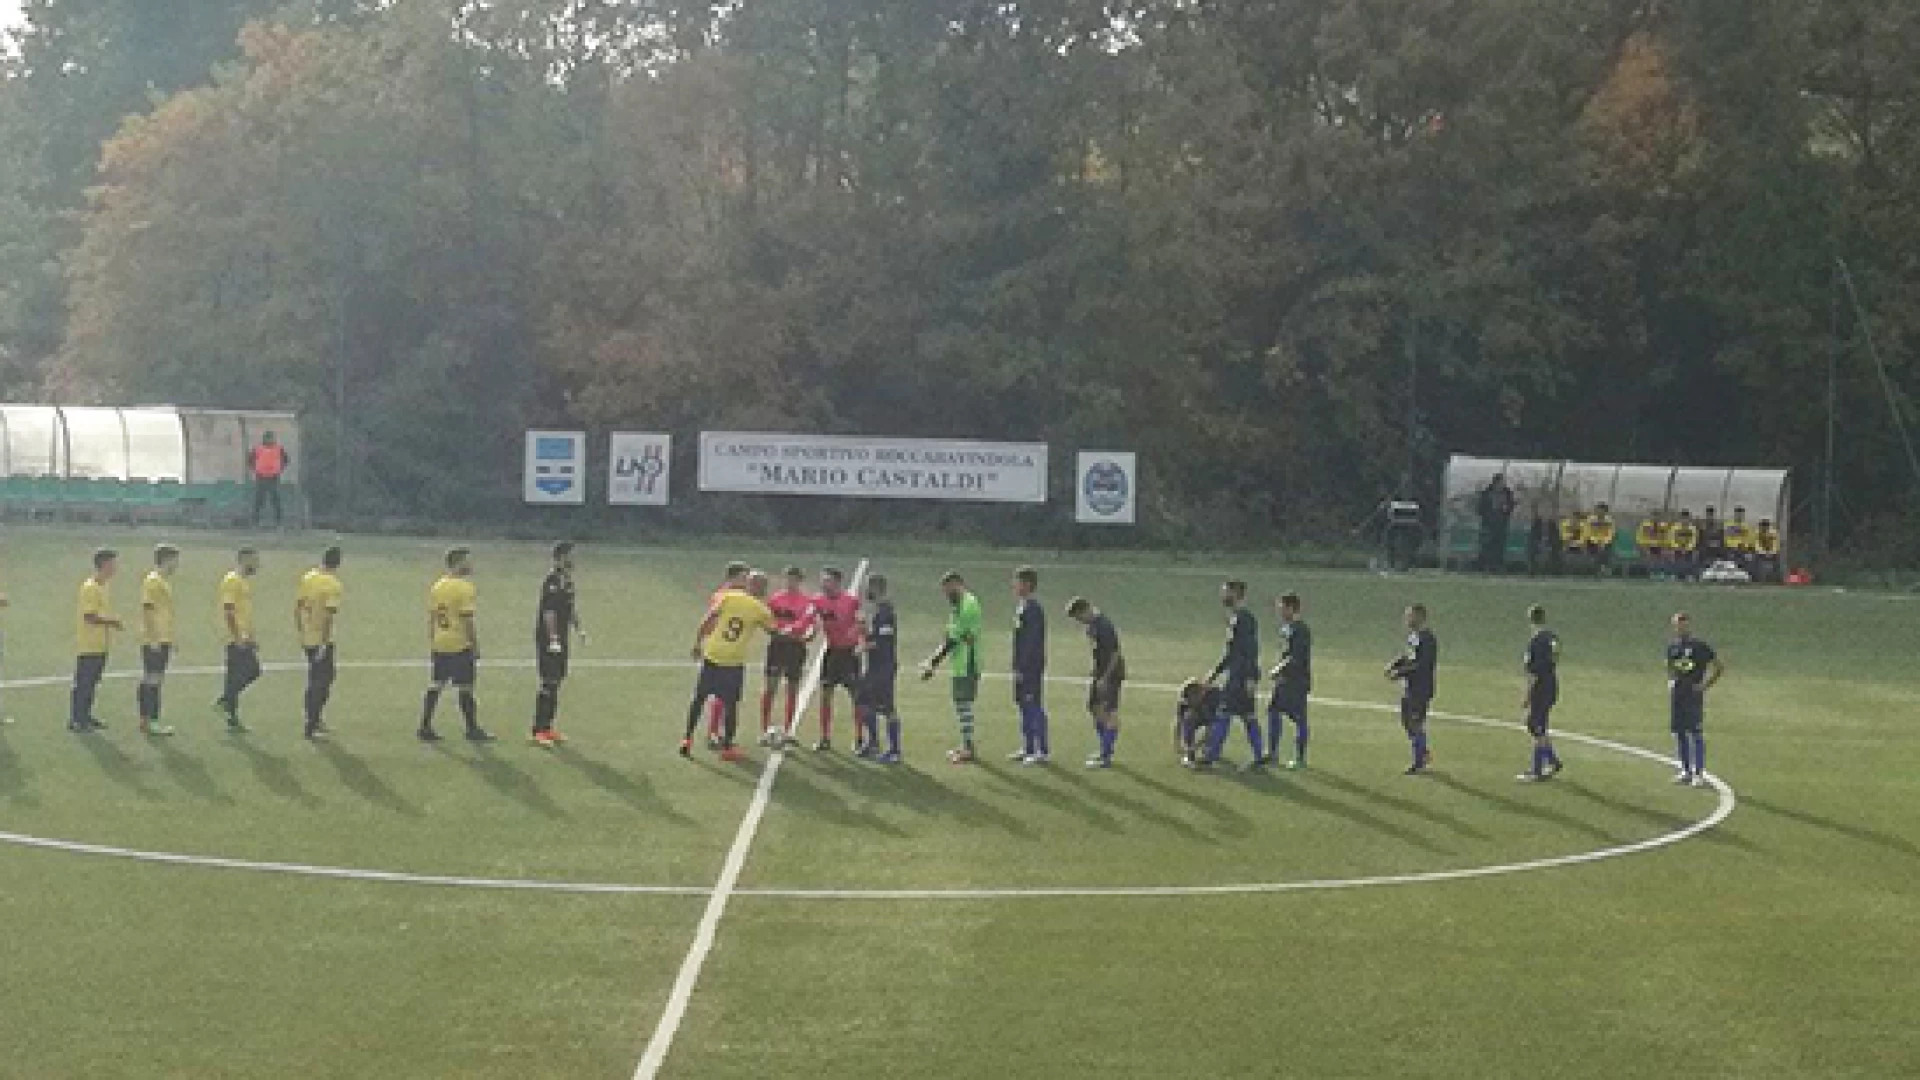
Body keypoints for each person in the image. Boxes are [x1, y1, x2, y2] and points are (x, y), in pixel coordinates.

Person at [682, 570, 779, 762]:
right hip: (732, 661)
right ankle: (727, 747)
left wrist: (697, 643)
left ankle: (686, 739)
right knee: (731, 705)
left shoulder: (729, 597)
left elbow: (708, 619)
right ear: (761, 588)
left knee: (699, 698)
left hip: (712, 654)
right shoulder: (760, 610)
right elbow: (774, 631)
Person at [420, 547, 491, 742]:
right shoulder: (464, 588)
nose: (470, 565)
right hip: (459, 643)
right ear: (457, 563)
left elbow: (432, 616)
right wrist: (474, 645)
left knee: (436, 684)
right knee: (466, 687)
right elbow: (467, 620)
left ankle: (424, 726)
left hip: (441, 641)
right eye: (467, 561)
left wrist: (432, 639)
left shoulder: (438, 586)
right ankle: (472, 729)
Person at [919, 571, 983, 764]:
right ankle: (966, 745)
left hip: (967, 663)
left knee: (963, 704)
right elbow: (950, 636)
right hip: (961, 663)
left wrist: (933, 663)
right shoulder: (958, 606)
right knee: (961, 704)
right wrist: (933, 660)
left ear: (958, 584)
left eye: (948, 589)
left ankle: (969, 748)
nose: (946, 594)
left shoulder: (968, 605)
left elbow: (955, 639)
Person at [531, 542, 584, 748]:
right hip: (549, 638)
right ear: (560, 558)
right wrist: (552, 638)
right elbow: (549, 612)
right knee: (548, 681)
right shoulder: (551, 581)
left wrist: (578, 628)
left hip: (562, 637)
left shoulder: (567, 580)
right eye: (570, 556)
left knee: (558, 679)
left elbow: (570, 608)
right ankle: (538, 729)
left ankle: (548, 726)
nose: (573, 560)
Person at [1209, 580, 1265, 769]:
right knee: (1247, 715)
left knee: (1224, 713)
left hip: (1240, 676)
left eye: (1226, 593)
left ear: (1236, 594)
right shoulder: (1238, 617)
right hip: (1239, 673)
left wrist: (1249, 677)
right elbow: (1232, 651)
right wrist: (1216, 672)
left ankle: (1212, 754)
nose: (1223, 596)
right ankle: (1258, 756)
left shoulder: (1243, 619)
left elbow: (1250, 649)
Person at [1066, 596, 1126, 769]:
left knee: (1108, 712)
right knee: (1093, 707)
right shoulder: (1092, 626)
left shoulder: (1104, 626)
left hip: (1111, 674)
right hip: (1101, 673)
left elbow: (1115, 654)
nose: (1079, 621)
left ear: (1085, 610)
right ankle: (1104, 749)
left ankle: (1106, 755)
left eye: (1078, 617)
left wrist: (1105, 678)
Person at [1666, 612, 1724, 787]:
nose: (1680, 628)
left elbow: (1718, 667)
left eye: (1682, 624)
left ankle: (1699, 773)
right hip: (1678, 695)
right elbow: (1671, 667)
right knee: (1679, 732)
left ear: (1688, 625)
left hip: (1693, 694)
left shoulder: (1699, 646)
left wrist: (1705, 686)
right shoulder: (1672, 647)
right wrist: (1670, 682)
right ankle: (1685, 770)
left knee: (1695, 732)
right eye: (1677, 625)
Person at [760, 567, 815, 747]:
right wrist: (775, 631)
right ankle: (764, 729)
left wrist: (808, 635)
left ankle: (789, 730)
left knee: (792, 689)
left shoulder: (806, 601)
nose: (790, 583)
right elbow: (766, 620)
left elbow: (812, 625)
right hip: (777, 647)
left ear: (799, 581)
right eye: (788, 579)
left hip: (795, 648)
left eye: (793, 579)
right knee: (770, 688)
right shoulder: (776, 599)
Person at [71, 549, 123, 733]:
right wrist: (112, 622)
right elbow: (89, 616)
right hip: (89, 644)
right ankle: (76, 720)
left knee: (92, 683)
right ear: (104, 564)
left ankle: (85, 715)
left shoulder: (103, 586)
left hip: (100, 644)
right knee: (84, 682)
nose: (116, 567)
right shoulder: (90, 587)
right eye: (113, 563)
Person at [296, 546, 345, 739]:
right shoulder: (333, 585)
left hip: (307, 636)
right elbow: (328, 617)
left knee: (316, 678)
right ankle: (312, 723)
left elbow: (297, 607)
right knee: (322, 680)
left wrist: (301, 631)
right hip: (320, 640)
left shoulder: (308, 577)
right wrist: (324, 643)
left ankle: (313, 717)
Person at [811, 566, 862, 752]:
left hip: (849, 654)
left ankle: (859, 738)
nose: (824, 584)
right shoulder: (817, 600)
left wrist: (855, 636)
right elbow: (810, 619)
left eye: (828, 581)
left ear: (837, 582)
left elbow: (861, 622)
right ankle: (825, 737)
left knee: (856, 697)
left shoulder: (851, 601)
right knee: (825, 696)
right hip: (832, 653)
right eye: (823, 581)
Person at [1384, 603, 1438, 775]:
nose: (1406, 619)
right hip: (1409, 687)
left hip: (1420, 688)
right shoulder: (1413, 637)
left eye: (1410, 616)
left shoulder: (1427, 639)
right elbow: (1408, 656)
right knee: (1407, 722)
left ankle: (1418, 762)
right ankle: (1423, 753)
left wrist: (1399, 673)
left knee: (1415, 723)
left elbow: (1421, 665)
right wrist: (1394, 664)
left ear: (1420, 617)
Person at [135, 545, 181, 737]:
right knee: (154, 680)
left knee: (150, 679)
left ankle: (145, 720)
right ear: (166, 559)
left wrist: (171, 638)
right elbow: (148, 609)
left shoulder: (161, 581)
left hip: (162, 638)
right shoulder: (153, 582)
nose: (177, 565)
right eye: (175, 560)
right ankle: (152, 720)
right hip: (155, 639)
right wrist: (154, 638)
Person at [215, 547, 262, 733]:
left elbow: (243, 612)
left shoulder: (242, 582)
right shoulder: (232, 581)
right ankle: (225, 700)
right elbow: (229, 610)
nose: (257, 564)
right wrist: (237, 637)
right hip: (235, 637)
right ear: (244, 560)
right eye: (254, 560)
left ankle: (232, 718)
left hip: (241, 635)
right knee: (253, 670)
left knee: (233, 675)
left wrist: (251, 636)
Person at [704, 562, 751, 746]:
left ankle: (720, 733)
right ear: (733, 577)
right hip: (721, 651)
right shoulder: (722, 596)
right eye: (743, 577)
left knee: (727, 697)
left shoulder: (735, 595)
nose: (746, 581)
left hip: (732, 651)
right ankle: (713, 732)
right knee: (721, 695)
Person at [1517, 605, 1564, 782]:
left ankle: (1537, 770)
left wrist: (1527, 695)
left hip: (1540, 687)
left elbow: (1532, 672)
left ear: (1530, 619)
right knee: (1536, 724)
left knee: (1536, 725)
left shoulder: (1535, 642)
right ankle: (1552, 760)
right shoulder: (1553, 638)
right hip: (1552, 684)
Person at [857, 574, 901, 762]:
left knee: (887, 708)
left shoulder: (885, 613)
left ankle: (895, 751)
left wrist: (862, 647)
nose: (866, 591)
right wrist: (864, 631)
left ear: (876, 588)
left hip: (884, 667)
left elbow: (882, 642)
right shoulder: (878, 612)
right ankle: (874, 743)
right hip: (875, 666)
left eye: (868, 587)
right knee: (864, 702)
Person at [1009, 566, 1050, 765]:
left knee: (1033, 705)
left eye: (1017, 582)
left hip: (1031, 667)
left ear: (1026, 585)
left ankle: (1042, 750)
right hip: (1022, 667)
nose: (1013, 586)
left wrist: (1023, 667)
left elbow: (1031, 643)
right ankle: (1028, 747)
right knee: (1023, 705)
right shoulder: (1022, 607)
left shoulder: (1033, 610)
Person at [1268, 592, 1312, 770]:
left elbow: (1297, 657)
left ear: (1292, 608)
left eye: (1283, 607)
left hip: (1296, 681)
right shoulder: (1286, 628)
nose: (1279, 610)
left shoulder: (1300, 630)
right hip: (1284, 680)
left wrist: (1279, 668)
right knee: (1273, 711)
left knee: (1299, 719)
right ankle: (1273, 753)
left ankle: (1300, 758)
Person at [1175, 679, 1227, 768]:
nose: (1188, 702)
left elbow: (1211, 728)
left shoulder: (1214, 695)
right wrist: (1177, 743)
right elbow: (1178, 722)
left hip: (1215, 717)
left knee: (1218, 727)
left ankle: (1209, 754)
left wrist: (1196, 746)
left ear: (1201, 694)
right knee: (1189, 718)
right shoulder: (1185, 701)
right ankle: (1190, 756)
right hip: (1200, 715)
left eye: (1190, 699)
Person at [248, 430, 290, 528]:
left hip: (274, 477)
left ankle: (279, 521)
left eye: (271, 438)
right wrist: (256, 469)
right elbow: (250, 460)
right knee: (259, 499)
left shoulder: (279, 449)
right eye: (268, 438)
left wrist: (280, 469)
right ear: (264, 439)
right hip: (261, 477)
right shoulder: (258, 448)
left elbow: (286, 460)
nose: (270, 440)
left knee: (275, 499)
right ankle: (255, 521)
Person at [1476, 474, 1517, 572]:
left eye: (1503, 482)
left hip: (1502, 524)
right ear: (1495, 483)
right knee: (1487, 545)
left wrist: (1507, 509)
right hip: (1489, 524)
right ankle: (1485, 565)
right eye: (1501, 482)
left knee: (1500, 546)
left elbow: (1511, 505)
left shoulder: (1507, 493)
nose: (1502, 484)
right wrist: (1488, 514)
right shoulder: (1487, 493)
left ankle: (1498, 565)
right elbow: (1480, 508)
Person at [1583, 503, 1617, 575]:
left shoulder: (1610, 520)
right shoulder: (1590, 519)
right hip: (1592, 541)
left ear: (1605, 511)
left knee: (1607, 548)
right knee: (1595, 550)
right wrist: (1596, 541)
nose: (1599, 512)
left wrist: (1603, 542)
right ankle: (1599, 568)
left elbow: (1612, 533)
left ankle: (1604, 567)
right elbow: (1587, 532)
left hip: (1605, 541)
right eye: (1598, 510)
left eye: (1601, 510)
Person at [1669, 510, 1701, 580]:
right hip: (1677, 549)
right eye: (1683, 518)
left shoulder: (1692, 529)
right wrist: (1679, 548)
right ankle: (1675, 574)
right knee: (1672, 553)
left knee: (1694, 554)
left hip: (1689, 550)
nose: (1685, 520)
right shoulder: (1675, 528)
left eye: (1686, 518)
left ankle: (1690, 574)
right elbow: (1672, 540)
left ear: (1689, 519)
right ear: (1680, 519)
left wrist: (1686, 548)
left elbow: (1694, 541)